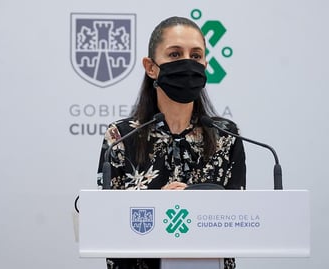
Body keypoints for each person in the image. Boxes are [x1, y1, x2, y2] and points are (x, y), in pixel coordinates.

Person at [97, 16, 246, 269]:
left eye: (196, 55)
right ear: (151, 67)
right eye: (175, 54)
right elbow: (107, 227)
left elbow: (237, 225)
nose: (188, 63)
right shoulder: (120, 137)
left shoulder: (226, 136)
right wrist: (156, 205)